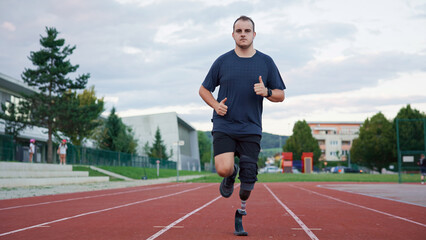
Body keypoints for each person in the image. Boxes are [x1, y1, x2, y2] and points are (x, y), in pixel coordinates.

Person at [199, 15, 286, 233]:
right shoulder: (222, 61)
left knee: (247, 183)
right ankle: (230, 174)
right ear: (233, 35)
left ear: (254, 34)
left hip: (251, 128)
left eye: (247, 31)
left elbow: (280, 95)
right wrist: (215, 105)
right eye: (239, 31)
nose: (243, 34)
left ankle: (241, 210)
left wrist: (266, 92)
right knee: (223, 168)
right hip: (224, 125)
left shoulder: (266, 62)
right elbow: (203, 89)